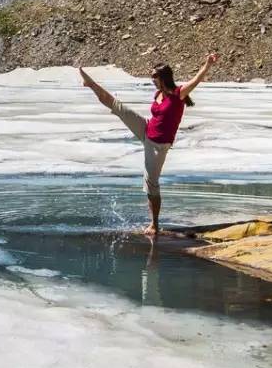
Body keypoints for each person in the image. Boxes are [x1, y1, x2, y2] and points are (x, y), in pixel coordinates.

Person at [79, 53, 219, 236]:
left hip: (158, 145)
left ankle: (154, 224)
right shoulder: (158, 93)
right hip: (146, 129)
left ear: (163, 77)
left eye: (154, 76)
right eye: (152, 76)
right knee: (117, 106)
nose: (151, 79)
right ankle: (91, 85)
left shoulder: (178, 94)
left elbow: (196, 80)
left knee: (151, 183)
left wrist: (207, 64)